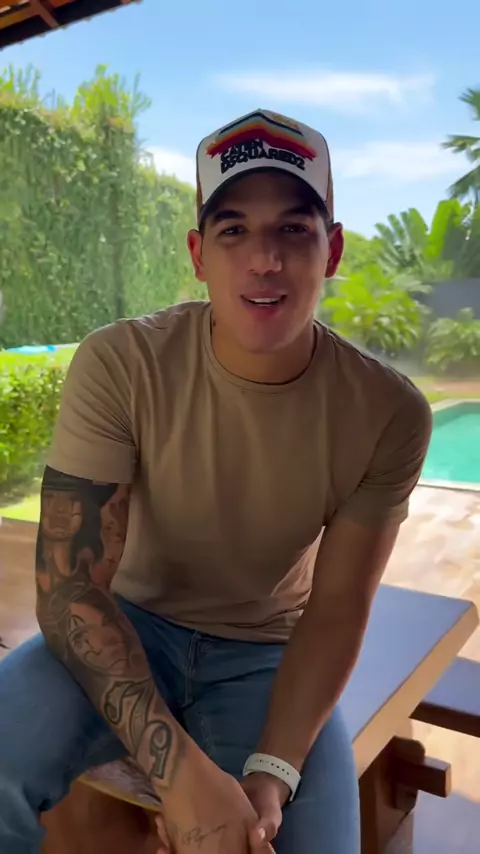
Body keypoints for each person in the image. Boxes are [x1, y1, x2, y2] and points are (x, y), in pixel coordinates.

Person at [0, 108, 432, 854]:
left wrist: (271, 775)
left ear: (331, 250)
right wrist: (181, 777)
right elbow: (70, 591)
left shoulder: (387, 412)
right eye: (234, 230)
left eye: (292, 229)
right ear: (199, 255)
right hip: (123, 622)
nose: (264, 259)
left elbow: (336, 610)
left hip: (268, 651)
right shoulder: (122, 364)